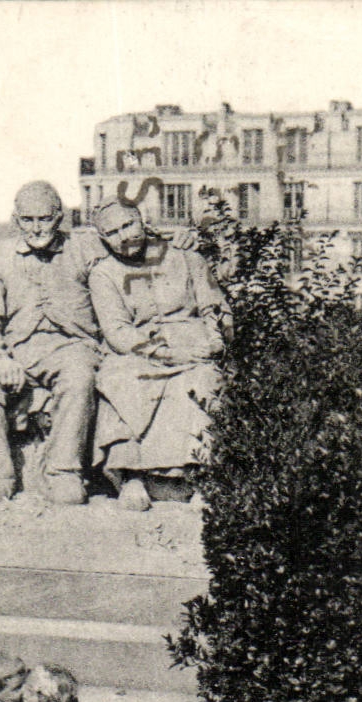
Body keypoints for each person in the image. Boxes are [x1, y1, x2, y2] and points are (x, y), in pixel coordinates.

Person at [0, 181, 104, 505]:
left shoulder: (86, 250)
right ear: (15, 219)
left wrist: (178, 242)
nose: (36, 228)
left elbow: (132, 246)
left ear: (60, 217)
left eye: (44, 218)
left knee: (79, 377)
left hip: (72, 349)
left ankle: (63, 473)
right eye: (27, 219)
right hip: (17, 353)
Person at [87, 200, 230, 510]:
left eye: (128, 225)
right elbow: (117, 331)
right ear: (102, 239)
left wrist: (216, 340)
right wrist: (165, 353)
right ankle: (131, 476)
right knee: (121, 379)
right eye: (112, 232)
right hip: (137, 350)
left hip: (192, 344)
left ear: (143, 219)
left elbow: (214, 307)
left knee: (202, 379)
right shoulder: (103, 274)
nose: (124, 236)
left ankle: (200, 478)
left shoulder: (187, 257)